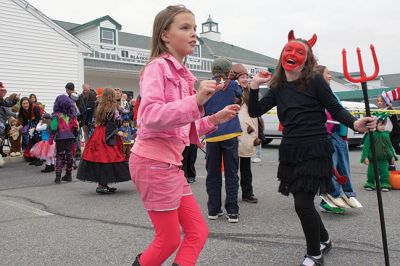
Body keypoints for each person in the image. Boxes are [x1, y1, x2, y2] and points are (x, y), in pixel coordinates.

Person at [248, 30, 376, 266]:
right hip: (290, 150)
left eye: (300, 52)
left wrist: (356, 124)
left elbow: (335, 109)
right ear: (281, 56)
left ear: (306, 60)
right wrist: (255, 86)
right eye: (289, 50)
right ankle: (324, 240)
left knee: (302, 203)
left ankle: (314, 255)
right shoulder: (276, 86)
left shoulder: (315, 81)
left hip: (315, 147)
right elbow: (255, 111)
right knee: (302, 200)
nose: (293, 54)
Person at [129, 5, 240, 266]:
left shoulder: (181, 75)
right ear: (165, 35)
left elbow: (179, 128)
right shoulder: (158, 68)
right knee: (167, 240)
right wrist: (196, 100)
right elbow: (150, 116)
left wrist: (214, 118)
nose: (193, 34)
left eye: (194, 28)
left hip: (169, 164)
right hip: (153, 163)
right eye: (185, 27)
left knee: (197, 232)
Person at [314, 65, 359, 213]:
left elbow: (338, 111)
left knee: (342, 166)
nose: (330, 76)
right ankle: (328, 198)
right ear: (320, 76)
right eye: (327, 74)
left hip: (339, 134)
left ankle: (347, 194)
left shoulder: (332, 93)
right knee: (331, 168)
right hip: (328, 134)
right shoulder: (318, 94)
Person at [204, 57, 243, 223]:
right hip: (230, 133)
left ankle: (213, 209)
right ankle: (232, 210)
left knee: (212, 173)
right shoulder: (233, 85)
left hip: (211, 133)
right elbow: (240, 98)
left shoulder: (206, 85)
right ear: (228, 70)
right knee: (231, 173)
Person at [77, 88, 131, 193]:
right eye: (114, 94)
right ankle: (102, 185)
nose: (116, 95)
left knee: (100, 158)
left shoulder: (101, 106)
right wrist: (118, 132)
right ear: (111, 96)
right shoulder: (111, 108)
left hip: (99, 133)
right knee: (106, 157)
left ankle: (103, 184)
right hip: (107, 134)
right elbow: (111, 124)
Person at [234, 63, 259, 204]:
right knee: (233, 169)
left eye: (246, 77)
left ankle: (247, 193)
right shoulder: (234, 92)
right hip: (235, 134)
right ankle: (233, 194)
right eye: (242, 76)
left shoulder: (249, 92)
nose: (245, 79)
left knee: (246, 167)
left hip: (247, 135)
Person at [361, 113, 396, 192]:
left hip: (384, 159)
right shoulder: (371, 134)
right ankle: (370, 183)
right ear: (375, 125)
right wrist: (365, 157)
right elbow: (366, 147)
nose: (383, 127)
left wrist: (392, 156)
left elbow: (389, 146)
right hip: (373, 159)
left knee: (385, 173)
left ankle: (384, 183)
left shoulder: (386, 135)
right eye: (381, 125)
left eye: (384, 125)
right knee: (371, 173)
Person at [50, 95, 78, 183]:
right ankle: (68, 175)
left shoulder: (56, 116)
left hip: (60, 137)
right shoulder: (71, 115)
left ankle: (58, 177)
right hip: (70, 136)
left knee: (59, 155)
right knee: (69, 155)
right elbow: (75, 126)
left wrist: (51, 138)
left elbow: (53, 128)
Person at [376, 94, 400, 168]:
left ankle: (391, 165)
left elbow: (394, 123)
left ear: (385, 102)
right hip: (383, 133)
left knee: (394, 149)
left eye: (381, 101)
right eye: (378, 101)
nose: (379, 103)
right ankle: (390, 165)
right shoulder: (378, 111)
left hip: (391, 133)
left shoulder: (389, 110)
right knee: (385, 150)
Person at [18, 97, 43, 164]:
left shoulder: (35, 108)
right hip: (31, 125)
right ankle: (35, 158)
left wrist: (34, 128)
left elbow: (39, 120)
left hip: (39, 125)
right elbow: (25, 121)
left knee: (38, 141)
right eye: (23, 103)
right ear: (21, 104)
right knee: (33, 141)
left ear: (29, 103)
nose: (25, 105)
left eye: (26, 103)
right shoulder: (22, 110)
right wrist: (18, 127)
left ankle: (40, 159)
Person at [0, 83, 19, 158]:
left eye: (4, 93)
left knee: (2, 135)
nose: (3, 94)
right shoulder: (6, 101)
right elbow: (9, 112)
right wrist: (16, 112)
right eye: (2, 93)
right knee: (2, 131)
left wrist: (15, 101)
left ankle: (1, 151)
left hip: (2, 120)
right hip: (1, 121)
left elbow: (8, 105)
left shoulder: (3, 101)